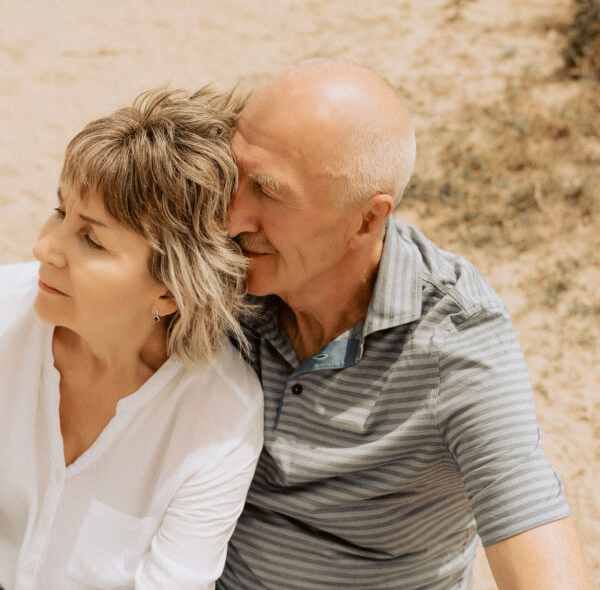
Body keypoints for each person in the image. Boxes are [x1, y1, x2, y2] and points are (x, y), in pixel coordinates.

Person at [219, 60, 593, 589]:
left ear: (367, 219)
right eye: (234, 175)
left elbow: (536, 536)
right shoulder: (222, 271)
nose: (232, 218)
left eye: (269, 192)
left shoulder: (453, 342)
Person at [0, 88, 263, 590]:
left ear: (169, 293)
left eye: (92, 240)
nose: (43, 248)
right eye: (60, 213)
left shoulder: (220, 418)